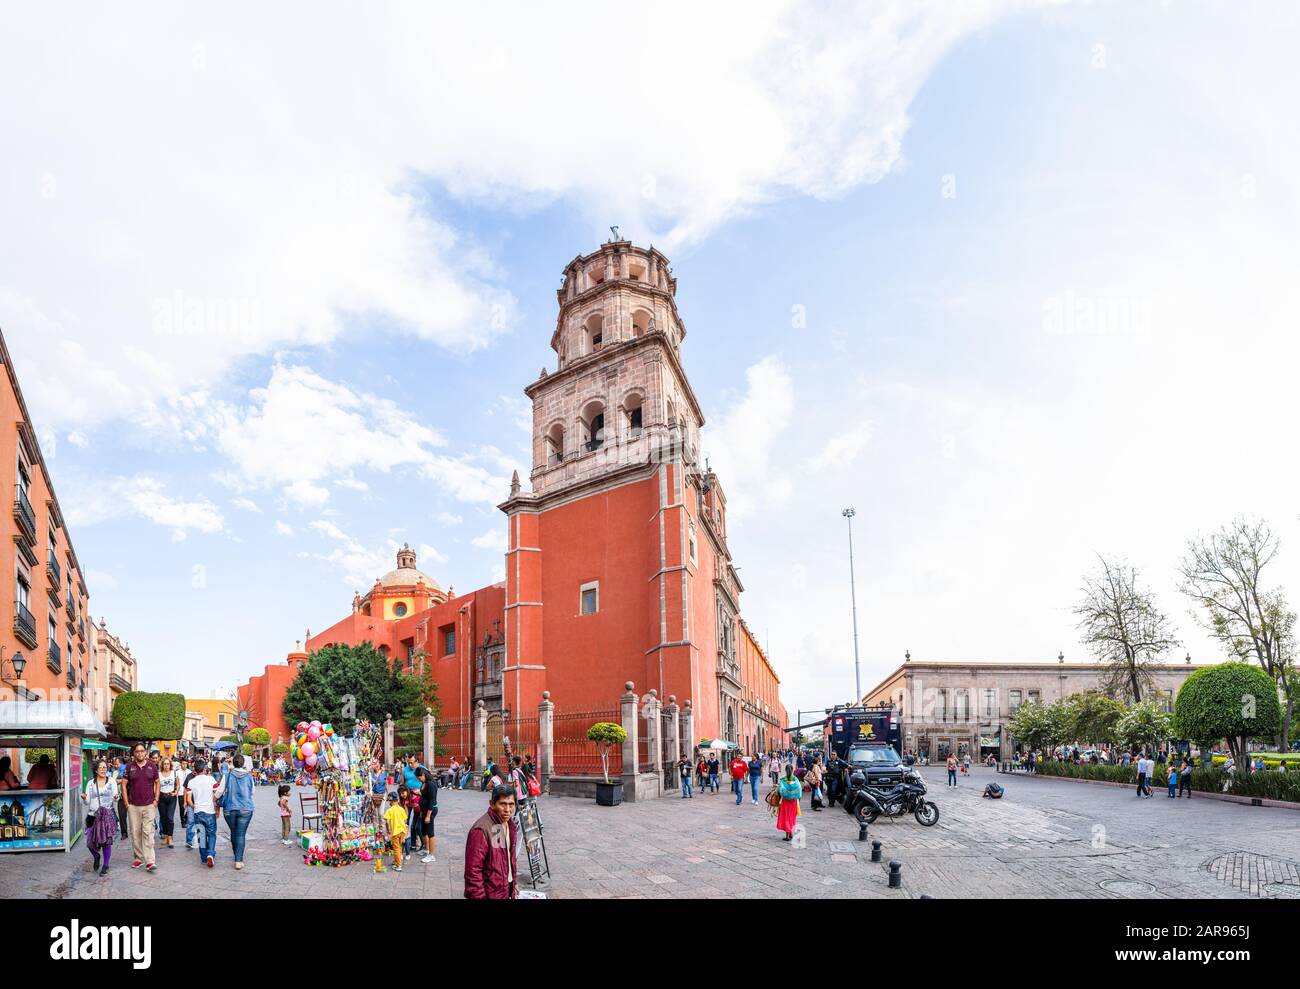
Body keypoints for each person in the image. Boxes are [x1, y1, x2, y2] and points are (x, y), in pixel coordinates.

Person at [463, 784, 519, 899]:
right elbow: (473, 872)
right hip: (490, 893)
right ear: (492, 804)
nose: (507, 810)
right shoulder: (481, 830)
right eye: (503, 804)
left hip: (504, 889)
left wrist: (513, 883)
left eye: (511, 804)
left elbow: (507, 859)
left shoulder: (509, 824)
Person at [123, 742, 160, 872]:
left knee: (148, 832)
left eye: (141, 751)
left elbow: (157, 782)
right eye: (137, 751)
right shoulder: (129, 767)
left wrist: (156, 799)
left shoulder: (152, 767)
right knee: (135, 833)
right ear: (134, 754)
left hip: (149, 805)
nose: (139, 753)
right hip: (133, 806)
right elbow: (124, 784)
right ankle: (139, 858)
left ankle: (150, 860)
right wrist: (127, 803)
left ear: (145, 752)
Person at [81, 759, 118, 877]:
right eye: (101, 768)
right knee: (89, 843)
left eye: (105, 767)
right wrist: (84, 798)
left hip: (107, 816)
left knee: (106, 843)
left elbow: (115, 797)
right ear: (96, 770)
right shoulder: (91, 783)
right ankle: (96, 856)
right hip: (93, 816)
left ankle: (105, 865)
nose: (103, 769)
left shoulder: (111, 781)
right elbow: (87, 802)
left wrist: (117, 797)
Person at [218, 754, 255, 869]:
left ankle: (236, 853)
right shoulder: (249, 777)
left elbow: (219, 792)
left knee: (234, 831)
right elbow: (252, 792)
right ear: (243, 763)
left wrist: (214, 801)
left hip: (230, 809)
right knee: (240, 834)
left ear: (233, 763)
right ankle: (238, 860)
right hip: (246, 809)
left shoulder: (227, 775)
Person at [416, 766, 439, 864]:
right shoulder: (424, 783)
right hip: (424, 810)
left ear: (424, 775)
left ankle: (431, 855)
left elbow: (432, 801)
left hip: (430, 810)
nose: (419, 779)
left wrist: (428, 815)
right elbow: (424, 795)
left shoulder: (431, 784)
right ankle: (426, 849)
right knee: (423, 831)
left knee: (430, 833)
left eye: (419, 777)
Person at [156, 756, 180, 847]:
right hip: (162, 797)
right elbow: (156, 786)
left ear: (170, 764)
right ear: (162, 765)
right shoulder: (159, 774)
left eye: (168, 764)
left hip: (171, 797)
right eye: (164, 764)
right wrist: (156, 797)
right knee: (163, 818)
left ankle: (170, 837)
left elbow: (178, 785)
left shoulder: (174, 773)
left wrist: (176, 792)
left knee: (170, 818)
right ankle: (166, 836)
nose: (166, 766)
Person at [383, 791, 408, 872]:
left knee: (396, 848)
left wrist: (388, 831)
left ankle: (398, 865)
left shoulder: (389, 810)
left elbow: (386, 821)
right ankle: (397, 860)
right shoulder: (401, 809)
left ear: (391, 801)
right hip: (402, 831)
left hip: (395, 832)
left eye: (389, 801)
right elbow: (405, 820)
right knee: (399, 847)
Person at [776, 765, 801, 841]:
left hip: (785, 801)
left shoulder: (783, 779)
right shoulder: (795, 779)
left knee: (786, 817)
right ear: (793, 770)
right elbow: (799, 790)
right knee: (792, 817)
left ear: (785, 770)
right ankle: (791, 833)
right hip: (793, 802)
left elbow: (779, 790)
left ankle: (787, 836)